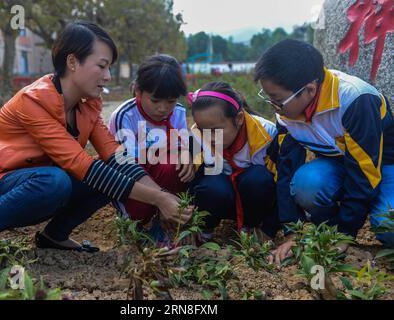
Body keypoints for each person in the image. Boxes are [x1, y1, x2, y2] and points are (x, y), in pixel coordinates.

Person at [0, 22, 192, 291]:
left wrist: (164, 198)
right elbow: (79, 164)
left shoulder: (85, 105)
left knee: (108, 173)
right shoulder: (33, 101)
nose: (108, 76)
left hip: (38, 184)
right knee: (56, 181)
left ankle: (54, 235)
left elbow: (116, 156)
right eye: (102, 66)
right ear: (72, 62)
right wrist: (159, 198)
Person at [253, 39, 394, 265]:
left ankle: (343, 230)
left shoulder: (354, 99)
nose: (273, 105)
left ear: (309, 89)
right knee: (307, 184)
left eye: (277, 99)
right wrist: (292, 232)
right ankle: (327, 231)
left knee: (389, 225)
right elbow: (285, 169)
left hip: (384, 165)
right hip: (339, 164)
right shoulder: (287, 112)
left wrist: (345, 234)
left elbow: (365, 172)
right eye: (268, 97)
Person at [109, 54, 195, 226]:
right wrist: (161, 196)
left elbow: (181, 145)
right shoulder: (125, 115)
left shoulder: (177, 112)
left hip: (159, 174)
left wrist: (186, 155)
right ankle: (134, 220)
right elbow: (126, 165)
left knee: (176, 163)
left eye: (171, 101)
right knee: (137, 214)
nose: (163, 108)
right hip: (134, 177)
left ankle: (164, 221)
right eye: (155, 100)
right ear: (139, 91)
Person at [188, 81, 280, 240]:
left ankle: (251, 226)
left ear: (238, 118)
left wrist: (271, 227)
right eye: (204, 130)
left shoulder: (267, 134)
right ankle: (204, 231)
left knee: (258, 178)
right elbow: (189, 183)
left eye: (216, 130)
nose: (210, 137)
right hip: (220, 199)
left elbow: (282, 183)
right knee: (212, 186)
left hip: (253, 201)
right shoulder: (196, 137)